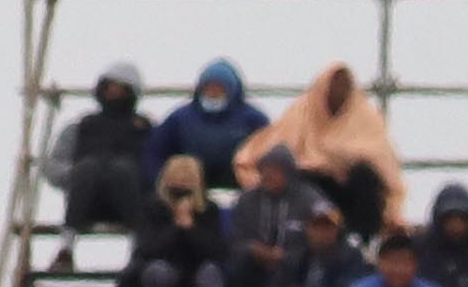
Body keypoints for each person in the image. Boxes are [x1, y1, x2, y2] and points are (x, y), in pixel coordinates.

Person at [233, 63, 405, 238]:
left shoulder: (366, 117)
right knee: (303, 177)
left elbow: (383, 165)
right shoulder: (301, 112)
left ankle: (362, 240)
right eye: (334, 85)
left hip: (351, 192)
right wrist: (320, 164)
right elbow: (277, 148)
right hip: (311, 186)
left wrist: (339, 159)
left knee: (365, 177)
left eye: (345, 85)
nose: (339, 91)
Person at [118, 155, 228, 287]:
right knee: (157, 272)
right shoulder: (151, 209)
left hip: (195, 285)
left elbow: (216, 251)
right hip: (157, 285)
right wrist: (176, 228)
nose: (181, 183)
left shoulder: (208, 210)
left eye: (188, 177)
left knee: (211, 272)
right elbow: (147, 249)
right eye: (176, 176)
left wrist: (190, 229)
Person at [46, 63, 150, 271]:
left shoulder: (144, 129)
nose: (114, 92)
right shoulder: (81, 127)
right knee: (88, 167)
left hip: (129, 202)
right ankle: (65, 249)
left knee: (124, 170)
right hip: (86, 202)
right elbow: (53, 165)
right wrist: (74, 175)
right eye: (110, 87)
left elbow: (160, 165)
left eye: (121, 88)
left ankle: (139, 251)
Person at [225, 146, 323, 287]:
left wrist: (287, 256)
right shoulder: (247, 200)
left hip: (297, 266)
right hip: (254, 265)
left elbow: (326, 237)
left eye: (275, 170)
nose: (268, 175)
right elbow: (234, 239)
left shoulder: (311, 199)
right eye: (264, 170)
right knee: (234, 269)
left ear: (289, 172)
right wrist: (253, 249)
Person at [145, 59, 266, 192]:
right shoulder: (179, 118)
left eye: (219, 88)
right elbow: (155, 152)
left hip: (239, 191)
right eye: (208, 88)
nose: (213, 93)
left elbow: (269, 153)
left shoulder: (253, 119)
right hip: (191, 192)